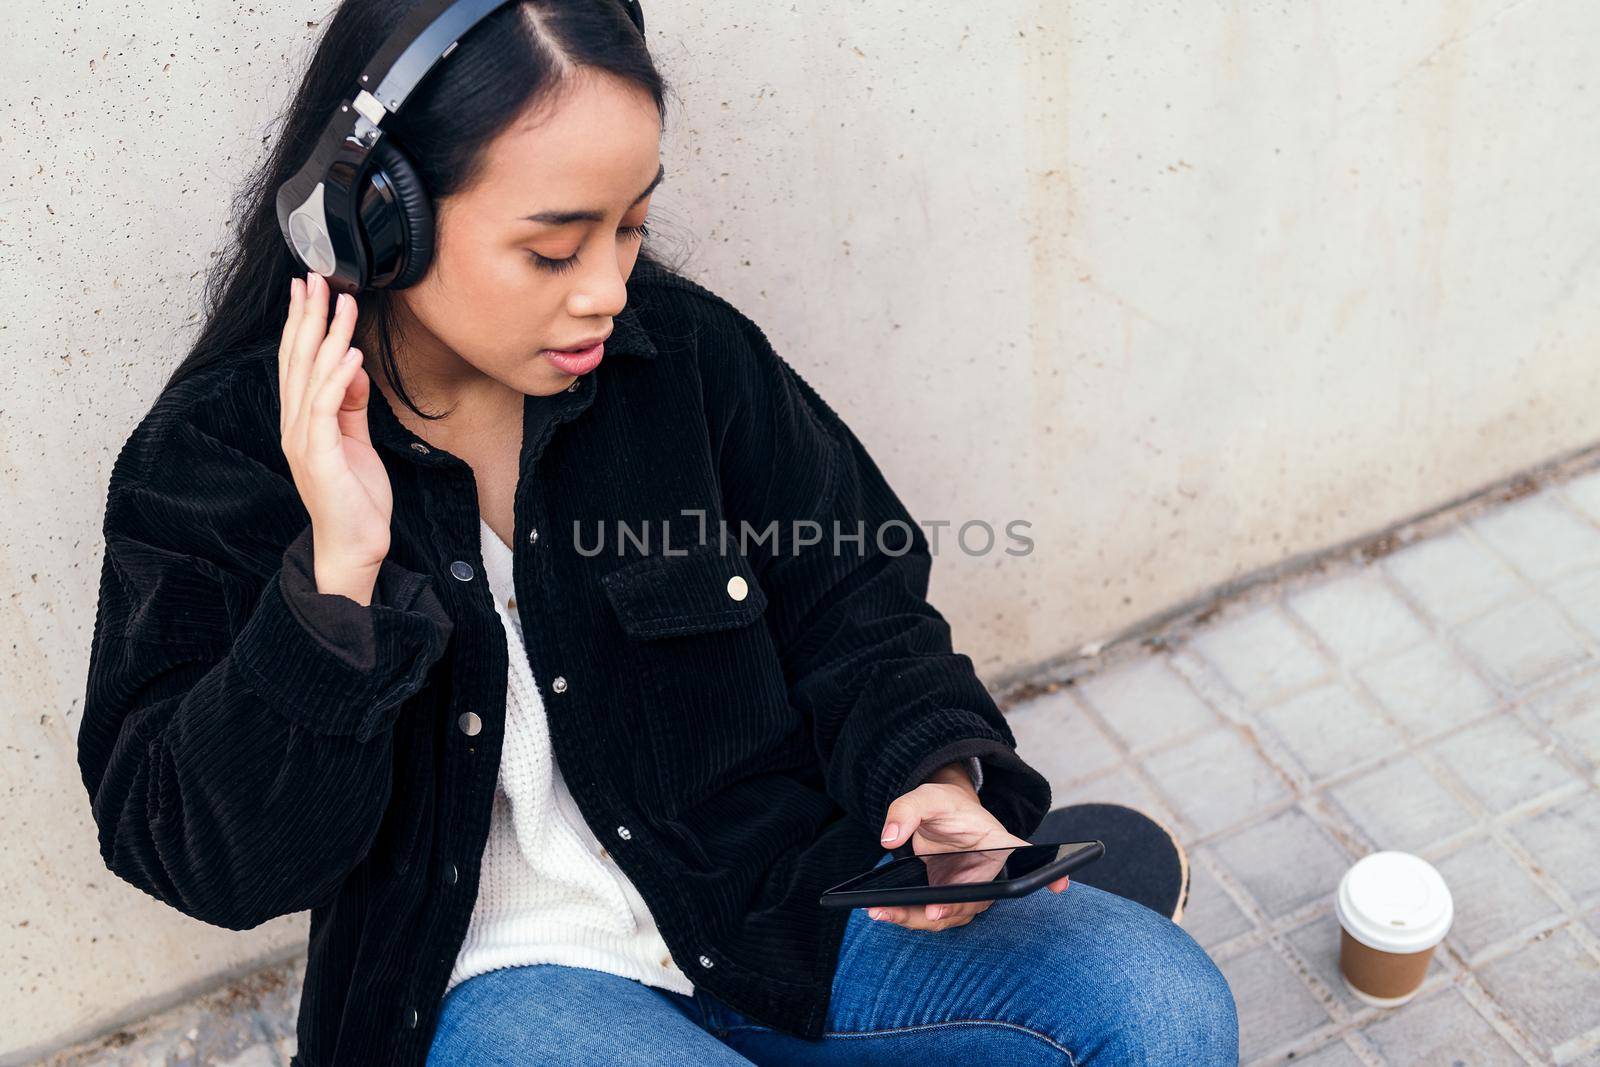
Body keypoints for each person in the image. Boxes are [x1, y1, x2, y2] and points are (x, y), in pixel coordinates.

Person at [77, 1, 1239, 1063]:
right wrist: (334, 582)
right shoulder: (220, 458)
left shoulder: (681, 361)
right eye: (552, 246)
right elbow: (203, 856)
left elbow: (854, 596)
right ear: (377, 216)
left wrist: (931, 771)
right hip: (509, 983)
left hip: (778, 903)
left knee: (1156, 1005)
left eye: (630, 227)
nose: (606, 290)